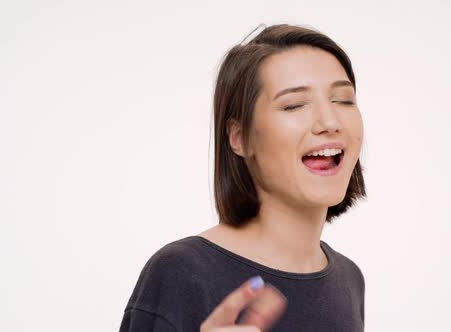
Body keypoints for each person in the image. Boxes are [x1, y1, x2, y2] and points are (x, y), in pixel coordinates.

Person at [119, 23, 367, 332]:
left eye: (343, 100)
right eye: (294, 105)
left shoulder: (349, 279)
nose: (330, 122)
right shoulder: (181, 272)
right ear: (240, 138)